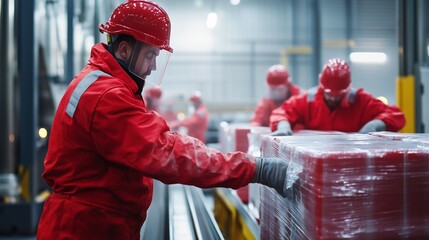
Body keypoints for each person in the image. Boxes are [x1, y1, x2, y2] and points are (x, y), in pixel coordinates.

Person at [36, 1, 290, 239]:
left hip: (93, 222)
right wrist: (254, 168)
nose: (153, 66)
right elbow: (166, 153)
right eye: (150, 55)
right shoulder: (106, 96)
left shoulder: (101, 83)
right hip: (85, 228)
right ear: (124, 49)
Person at [270, 58, 406, 135]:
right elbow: (281, 112)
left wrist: (375, 125)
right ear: (321, 86)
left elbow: (396, 115)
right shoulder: (308, 100)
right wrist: (283, 126)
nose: (333, 98)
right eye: (329, 94)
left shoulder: (361, 101)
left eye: (338, 95)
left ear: (347, 89)